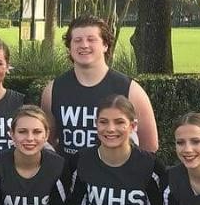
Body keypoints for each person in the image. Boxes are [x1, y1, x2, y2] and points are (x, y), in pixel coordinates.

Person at [40, 15, 157, 155]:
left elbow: (149, 146)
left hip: (114, 175)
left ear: (105, 45)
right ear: (69, 47)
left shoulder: (131, 90)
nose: (84, 45)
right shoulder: (53, 90)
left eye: (91, 39)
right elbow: (48, 142)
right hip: (68, 175)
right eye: (77, 40)